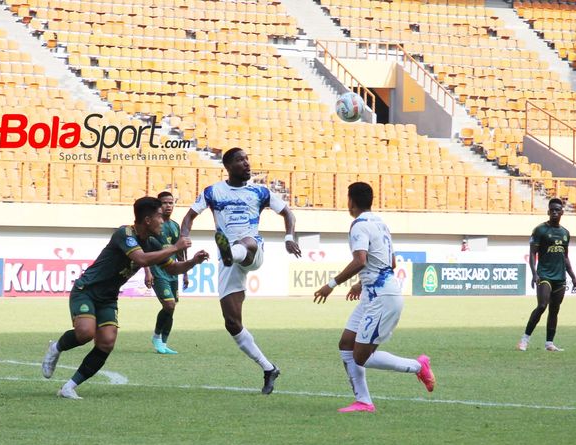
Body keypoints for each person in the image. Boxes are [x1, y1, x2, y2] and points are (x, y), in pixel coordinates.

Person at [41, 197, 209, 399]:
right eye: (159, 217)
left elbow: (173, 268)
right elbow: (140, 259)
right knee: (85, 332)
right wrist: (175, 247)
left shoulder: (152, 242)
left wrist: (193, 262)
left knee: (107, 342)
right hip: (87, 290)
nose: (163, 222)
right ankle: (56, 347)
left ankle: (69, 387)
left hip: (108, 298)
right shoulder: (125, 233)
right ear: (147, 220)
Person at [180, 147, 301, 395]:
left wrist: (289, 237)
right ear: (228, 166)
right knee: (232, 323)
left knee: (246, 242)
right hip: (229, 265)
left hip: (252, 251)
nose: (246, 163)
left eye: (247, 159)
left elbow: (287, 212)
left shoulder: (260, 191)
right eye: (240, 160)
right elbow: (189, 217)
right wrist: (183, 238)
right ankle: (268, 368)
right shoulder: (213, 192)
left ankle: (230, 252)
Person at [313, 182, 435, 413]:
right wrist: (361, 283)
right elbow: (390, 262)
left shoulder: (359, 226)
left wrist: (331, 284)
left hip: (382, 297)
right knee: (346, 344)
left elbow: (360, 260)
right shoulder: (380, 223)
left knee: (362, 356)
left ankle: (418, 366)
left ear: (351, 201)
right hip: (374, 294)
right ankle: (363, 401)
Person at [517, 198, 576, 352]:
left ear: (562, 212)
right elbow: (532, 254)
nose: (554, 212)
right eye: (552, 210)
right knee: (542, 305)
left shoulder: (565, 233)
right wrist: (534, 273)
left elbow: (565, 257)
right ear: (548, 211)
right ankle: (524, 340)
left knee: (554, 309)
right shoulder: (540, 230)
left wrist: (573, 276)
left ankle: (549, 343)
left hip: (560, 277)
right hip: (544, 275)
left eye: (557, 210)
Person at [143, 191, 183, 355]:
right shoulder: (153, 225)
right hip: (158, 270)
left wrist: (185, 271)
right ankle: (156, 337)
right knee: (169, 304)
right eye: (165, 203)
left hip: (173, 271)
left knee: (172, 308)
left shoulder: (175, 225)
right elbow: (143, 250)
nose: (168, 206)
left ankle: (163, 343)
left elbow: (180, 249)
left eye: (171, 203)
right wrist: (147, 272)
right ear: (159, 206)